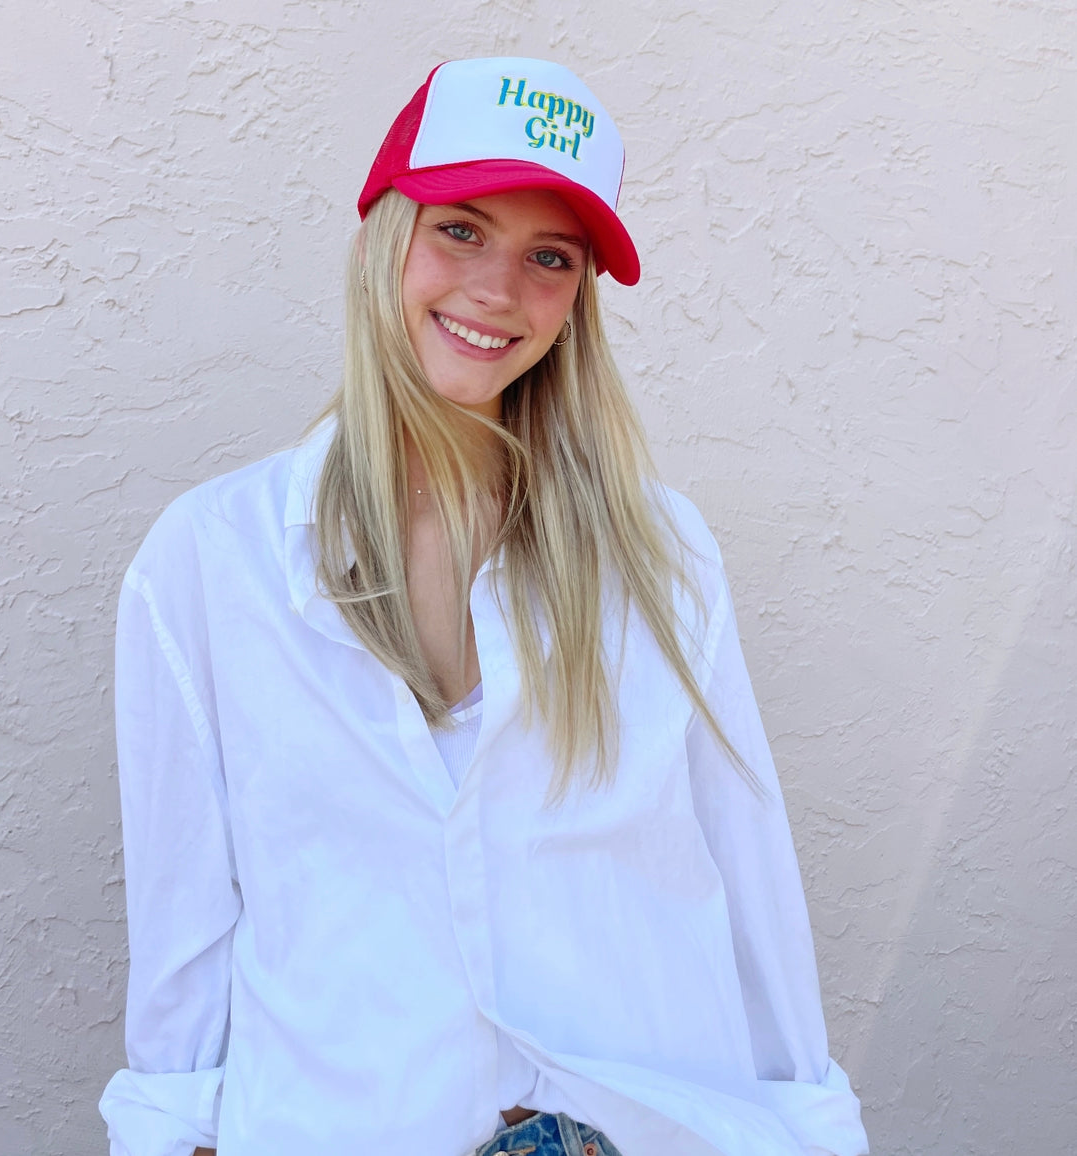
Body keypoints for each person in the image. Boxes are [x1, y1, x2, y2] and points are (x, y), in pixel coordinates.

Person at [99, 57, 869, 1156]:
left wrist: (810, 1128)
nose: (498, 291)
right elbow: (184, 935)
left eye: (549, 256)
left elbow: (751, 881)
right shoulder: (211, 562)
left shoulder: (662, 556)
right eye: (460, 229)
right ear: (380, 239)